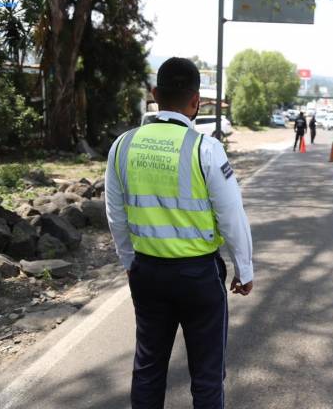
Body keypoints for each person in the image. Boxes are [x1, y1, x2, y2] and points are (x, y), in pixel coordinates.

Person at [105, 57, 254, 409]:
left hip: (147, 273)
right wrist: (244, 269)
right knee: (206, 375)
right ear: (196, 100)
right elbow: (232, 215)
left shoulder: (122, 145)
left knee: (148, 368)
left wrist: (129, 262)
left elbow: (115, 215)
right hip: (198, 277)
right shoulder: (206, 148)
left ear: (155, 94)